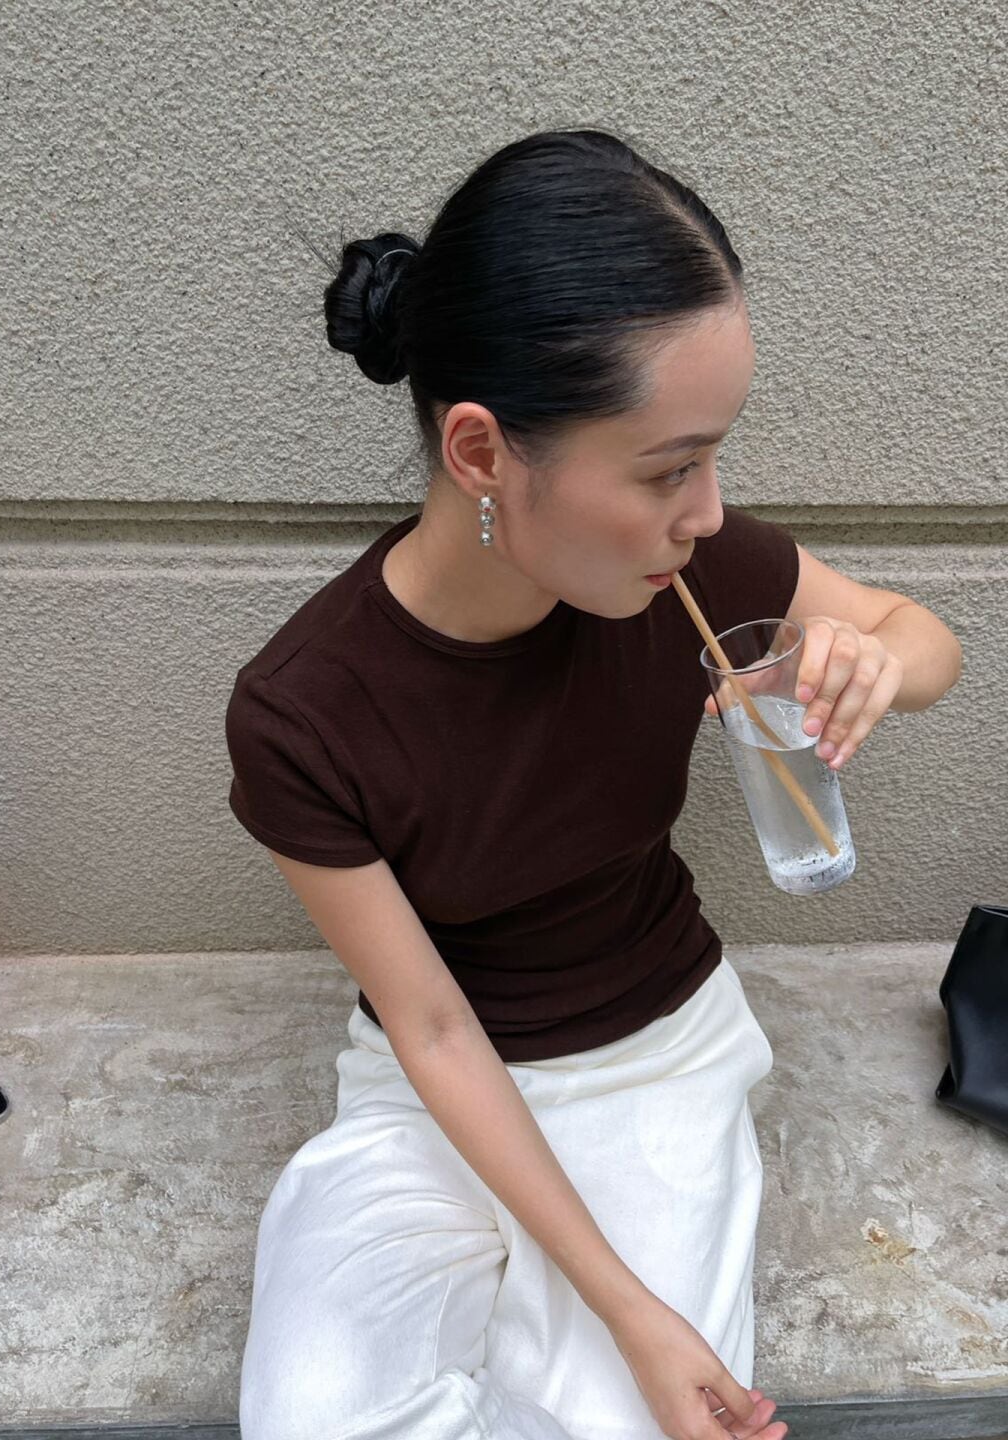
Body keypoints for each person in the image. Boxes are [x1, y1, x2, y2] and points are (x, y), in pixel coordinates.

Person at [224, 128, 963, 1440]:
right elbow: (433, 1031)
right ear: (480, 452)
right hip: (433, 1085)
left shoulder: (688, 579)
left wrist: (875, 664)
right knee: (320, 1419)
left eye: (714, 456)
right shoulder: (305, 714)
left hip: (655, 1053)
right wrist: (627, 1308)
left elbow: (925, 639)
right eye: (670, 467)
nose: (709, 511)